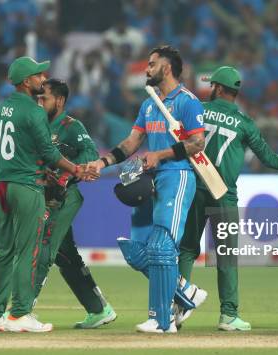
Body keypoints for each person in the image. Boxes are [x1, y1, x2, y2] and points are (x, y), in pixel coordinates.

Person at [178, 66, 278, 331]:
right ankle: (228, 316)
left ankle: (176, 308)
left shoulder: (198, 109)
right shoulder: (245, 123)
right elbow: (268, 158)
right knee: (226, 255)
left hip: (195, 189)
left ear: (219, 89)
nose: (211, 89)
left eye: (213, 86)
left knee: (187, 249)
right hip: (224, 195)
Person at [88, 45, 207, 333]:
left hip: (177, 176)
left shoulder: (188, 102)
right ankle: (185, 291)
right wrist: (103, 162)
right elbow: (131, 143)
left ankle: (162, 320)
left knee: (162, 246)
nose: (146, 68)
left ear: (166, 68)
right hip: (151, 179)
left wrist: (161, 155)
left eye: (152, 64)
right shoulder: (149, 103)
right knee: (139, 250)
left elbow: (198, 143)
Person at [0, 56, 97, 333]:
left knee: (4, 251)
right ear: (26, 82)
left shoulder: (4, 107)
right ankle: (20, 313)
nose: (42, 79)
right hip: (26, 185)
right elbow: (49, 153)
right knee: (29, 250)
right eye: (37, 75)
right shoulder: (33, 111)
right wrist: (76, 169)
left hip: (3, 183)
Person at [33, 78, 117, 329]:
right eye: (37, 98)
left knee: (43, 247)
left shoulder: (71, 126)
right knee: (65, 256)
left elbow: (90, 155)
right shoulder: (37, 125)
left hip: (64, 198)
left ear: (59, 101)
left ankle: (21, 310)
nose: (39, 103)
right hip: (43, 197)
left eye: (44, 98)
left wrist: (66, 175)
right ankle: (99, 309)